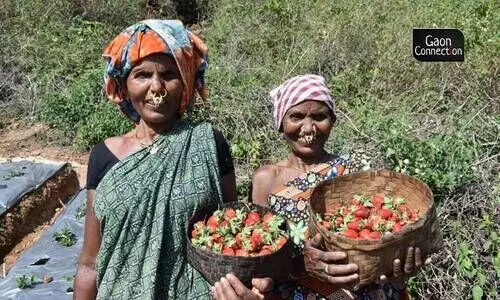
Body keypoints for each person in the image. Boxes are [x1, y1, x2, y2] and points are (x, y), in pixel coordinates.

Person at [74, 19, 270, 299]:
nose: (157, 87)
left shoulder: (208, 143)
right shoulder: (104, 155)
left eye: (169, 74)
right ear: (125, 84)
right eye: (142, 75)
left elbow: (234, 234)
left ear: (186, 82)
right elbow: (90, 263)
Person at [251, 74, 428, 299]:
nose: (308, 128)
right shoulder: (267, 179)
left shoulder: (355, 167)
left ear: (332, 121)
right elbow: (261, 257)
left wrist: (399, 266)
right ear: (280, 122)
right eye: (296, 117)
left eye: (319, 117)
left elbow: (381, 233)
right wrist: (300, 266)